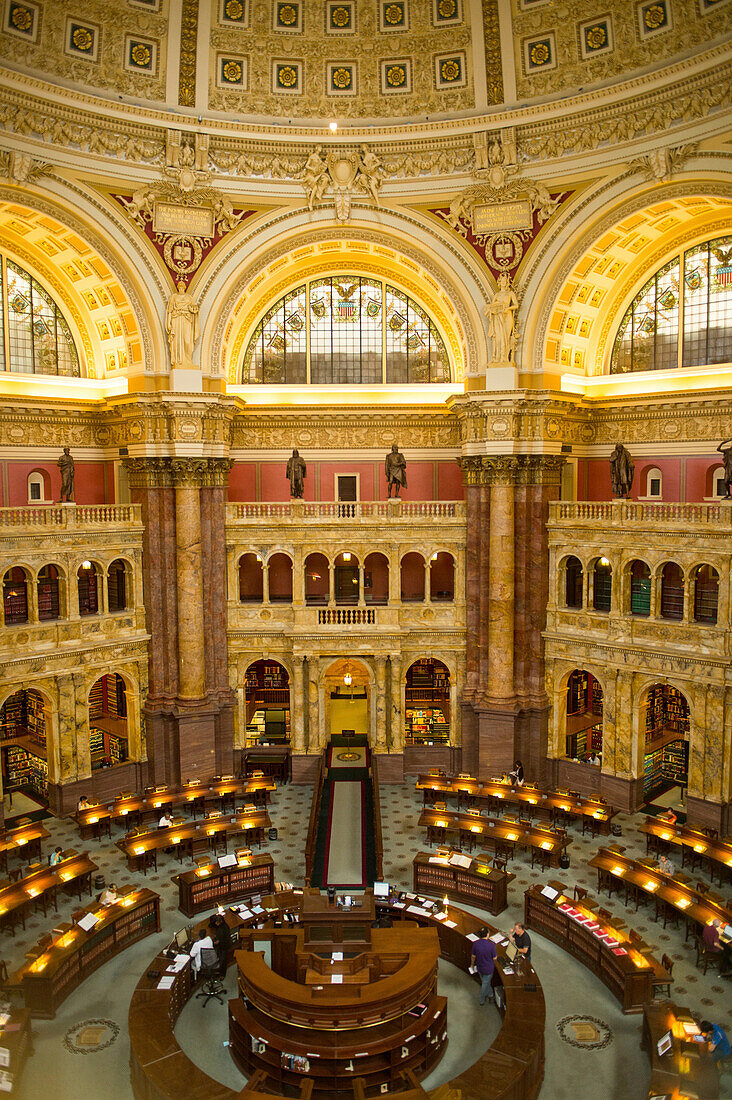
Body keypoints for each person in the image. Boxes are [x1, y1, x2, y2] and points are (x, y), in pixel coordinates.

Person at [165, 280, 199, 370]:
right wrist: (169, 324)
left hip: (187, 320)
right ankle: (177, 360)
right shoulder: (173, 297)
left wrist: (193, 309)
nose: (180, 288)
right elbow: (169, 311)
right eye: (179, 286)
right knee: (177, 340)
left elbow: (194, 309)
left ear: (184, 287)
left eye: (182, 286)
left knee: (187, 340)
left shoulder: (189, 297)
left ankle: (187, 360)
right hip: (176, 319)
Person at [486, 274, 518, 363]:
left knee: (506, 337)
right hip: (497, 317)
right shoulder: (497, 295)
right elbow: (492, 306)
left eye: (505, 281)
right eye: (502, 281)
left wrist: (507, 309)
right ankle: (497, 357)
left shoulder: (510, 293)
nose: (503, 283)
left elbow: (516, 305)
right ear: (499, 282)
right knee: (498, 337)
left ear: (507, 282)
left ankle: (504, 357)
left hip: (507, 316)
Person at [470, 926, 498, 1006]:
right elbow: (495, 958)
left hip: (479, 967)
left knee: (486, 982)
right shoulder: (491, 945)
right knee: (485, 984)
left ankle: (491, 994)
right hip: (488, 969)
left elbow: (473, 956)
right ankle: (481, 1000)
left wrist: (472, 964)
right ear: (487, 935)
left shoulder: (476, 944)